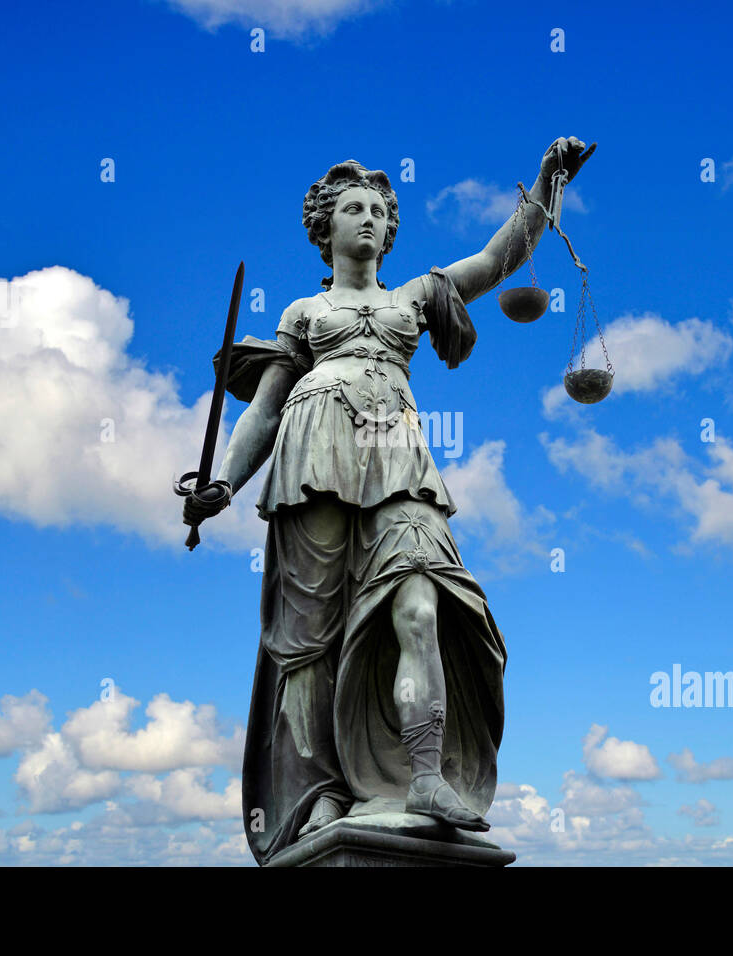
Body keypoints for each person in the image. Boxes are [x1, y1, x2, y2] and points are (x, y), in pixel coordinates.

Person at [183, 137, 594, 864]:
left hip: (398, 457)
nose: (368, 218)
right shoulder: (305, 312)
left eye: (377, 208)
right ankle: (319, 797)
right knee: (310, 637)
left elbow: (498, 260)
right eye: (352, 208)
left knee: (422, 598)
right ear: (325, 227)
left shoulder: (415, 296)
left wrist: (546, 182)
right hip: (313, 454)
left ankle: (427, 774)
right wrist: (223, 484)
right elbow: (264, 412)